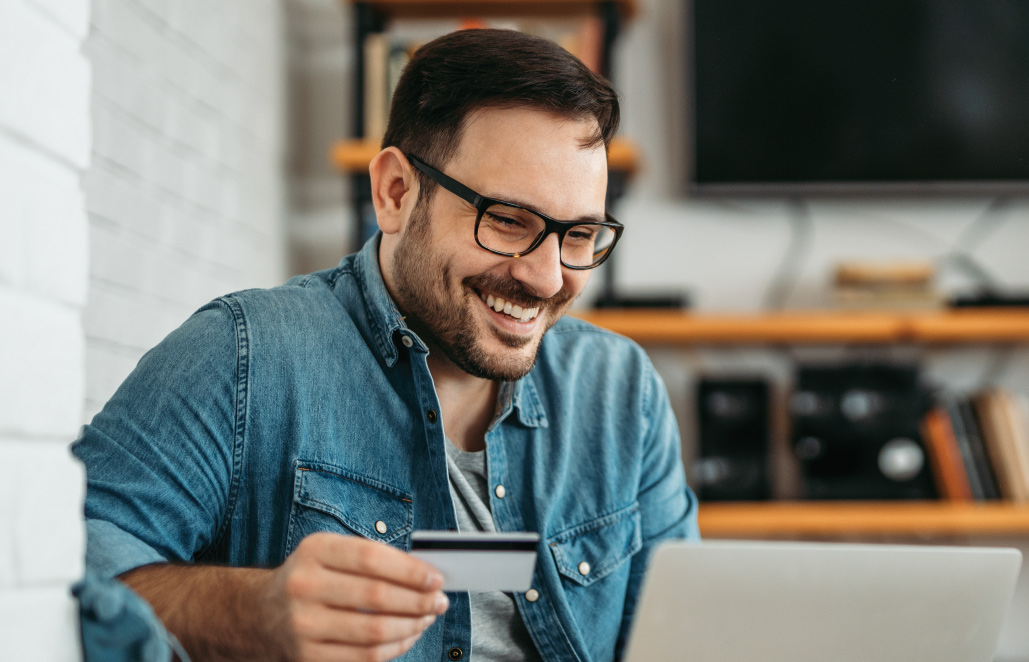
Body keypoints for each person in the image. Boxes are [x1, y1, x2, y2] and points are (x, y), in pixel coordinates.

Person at [71, 29, 698, 662]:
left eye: (579, 235)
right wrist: (250, 611)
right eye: (508, 221)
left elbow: (692, 633)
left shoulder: (622, 394)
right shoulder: (243, 357)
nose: (547, 277)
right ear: (395, 192)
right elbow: (68, 563)